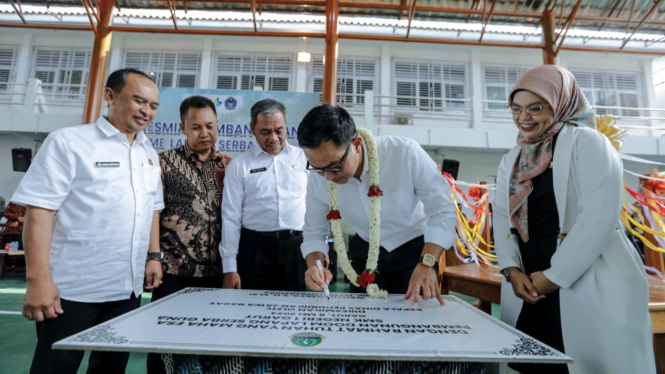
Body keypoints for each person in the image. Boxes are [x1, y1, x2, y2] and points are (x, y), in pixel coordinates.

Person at [494, 65, 655, 374]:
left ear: (559, 104)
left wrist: (555, 276)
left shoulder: (590, 143)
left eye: (535, 108)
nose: (523, 118)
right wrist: (512, 270)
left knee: (585, 362)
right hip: (528, 283)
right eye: (516, 109)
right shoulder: (512, 158)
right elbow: (502, 217)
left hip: (581, 276)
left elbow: (599, 216)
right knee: (534, 364)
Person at [12, 68, 164, 374]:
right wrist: (38, 280)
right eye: (138, 101)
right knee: (55, 368)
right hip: (73, 290)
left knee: (110, 368)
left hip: (127, 290)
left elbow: (151, 209)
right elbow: (40, 212)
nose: (146, 111)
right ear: (110, 96)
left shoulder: (148, 152)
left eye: (152, 106)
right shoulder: (69, 142)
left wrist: (153, 255)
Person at [298, 105, 457, 305]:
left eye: (335, 165)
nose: (328, 176)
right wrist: (314, 266)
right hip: (364, 254)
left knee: (415, 323)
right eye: (319, 169)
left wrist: (427, 263)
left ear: (355, 143)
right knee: (362, 323)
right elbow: (314, 229)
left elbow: (443, 209)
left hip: (415, 254)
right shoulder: (319, 177)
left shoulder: (404, 153)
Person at [146, 95, 231, 373]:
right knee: (163, 344)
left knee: (213, 346)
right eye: (196, 127)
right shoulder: (162, 163)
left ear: (218, 125)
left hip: (218, 273)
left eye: (210, 126)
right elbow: (152, 213)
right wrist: (154, 257)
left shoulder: (230, 166)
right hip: (172, 272)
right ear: (182, 128)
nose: (204, 133)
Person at [220, 99, 308, 291]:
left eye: (279, 130)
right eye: (265, 132)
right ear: (252, 129)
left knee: (294, 312)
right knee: (250, 310)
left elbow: (318, 206)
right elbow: (230, 217)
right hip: (254, 249)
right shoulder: (239, 165)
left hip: (297, 248)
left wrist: (322, 249)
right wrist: (229, 267)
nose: (274, 138)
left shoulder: (304, 159)